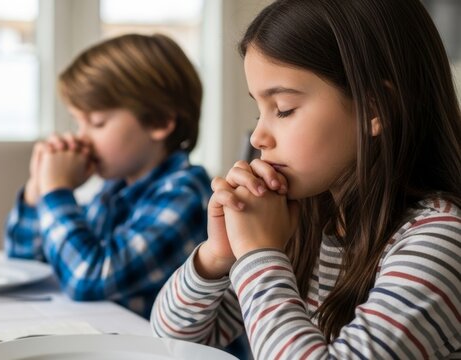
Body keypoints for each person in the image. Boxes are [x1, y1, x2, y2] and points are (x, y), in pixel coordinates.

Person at [150, 0, 461, 358]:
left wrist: (258, 255)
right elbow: (172, 338)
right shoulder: (303, 221)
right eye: (259, 110)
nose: (257, 138)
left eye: (283, 109)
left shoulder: (440, 239)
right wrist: (217, 255)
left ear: (375, 109)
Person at [5, 34, 212, 319]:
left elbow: (89, 279)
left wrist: (56, 191)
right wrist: (37, 190)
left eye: (97, 123)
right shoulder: (113, 190)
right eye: (78, 122)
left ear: (160, 121)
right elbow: (27, 265)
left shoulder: (185, 194)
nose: (81, 138)